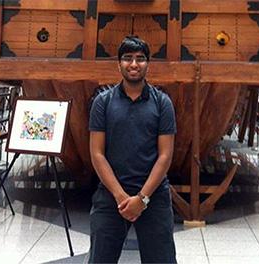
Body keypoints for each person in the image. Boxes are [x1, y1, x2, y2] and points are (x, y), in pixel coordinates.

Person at [88, 36, 177, 263]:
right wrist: (120, 196)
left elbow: (165, 156)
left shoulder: (162, 103)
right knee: (100, 259)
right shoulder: (103, 102)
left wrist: (142, 198)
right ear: (119, 64)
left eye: (140, 59)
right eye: (128, 58)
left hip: (153, 195)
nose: (134, 64)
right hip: (111, 195)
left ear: (148, 64)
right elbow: (97, 153)